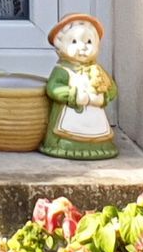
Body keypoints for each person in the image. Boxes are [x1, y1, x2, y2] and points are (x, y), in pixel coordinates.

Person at [40, 13, 118, 159]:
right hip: (69, 116)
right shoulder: (63, 70)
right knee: (66, 130)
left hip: (95, 118)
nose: (82, 47)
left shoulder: (97, 71)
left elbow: (112, 88)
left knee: (98, 132)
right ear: (61, 45)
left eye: (89, 42)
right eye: (74, 42)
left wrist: (103, 97)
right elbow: (53, 88)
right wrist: (74, 95)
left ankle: (99, 146)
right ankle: (62, 145)